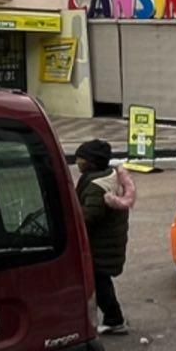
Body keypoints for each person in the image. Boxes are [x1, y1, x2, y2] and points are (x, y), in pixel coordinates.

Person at [73, 137, 138, 334]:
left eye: (80, 159)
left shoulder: (97, 185)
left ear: (91, 162)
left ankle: (114, 319)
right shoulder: (108, 176)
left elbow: (90, 215)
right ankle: (111, 317)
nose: (77, 162)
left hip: (100, 246)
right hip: (107, 243)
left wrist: (71, 216)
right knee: (100, 281)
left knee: (99, 282)